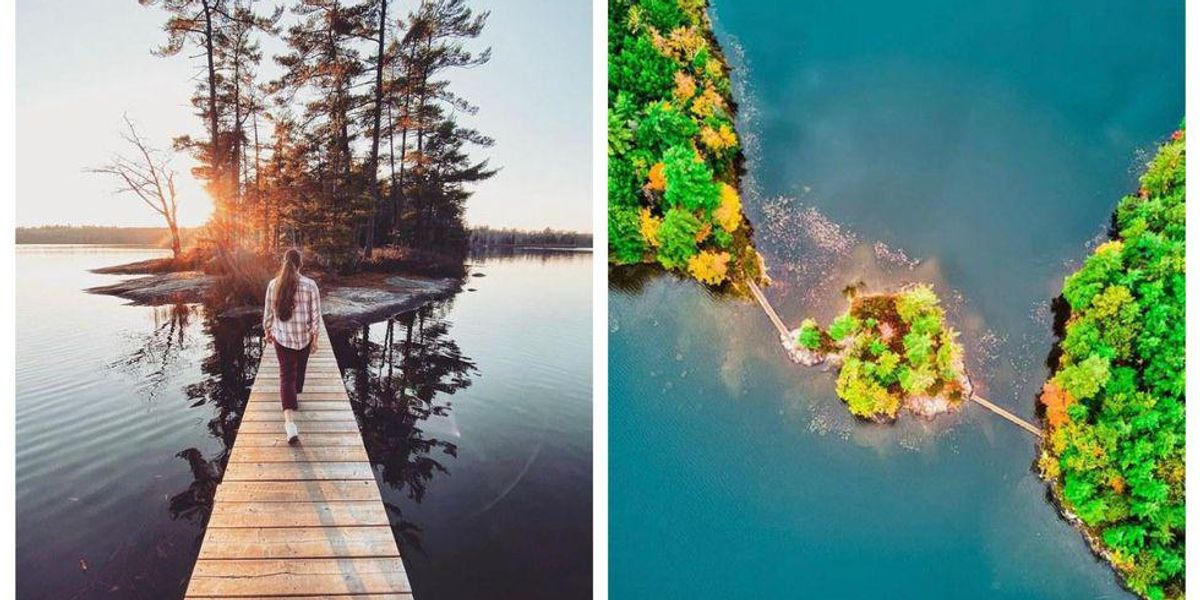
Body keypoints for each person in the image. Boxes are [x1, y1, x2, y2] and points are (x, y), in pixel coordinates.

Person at [262, 248, 321, 444]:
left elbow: (268, 312)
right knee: (298, 373)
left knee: (286, 377)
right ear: (300, 264)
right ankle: (292, 401)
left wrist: (267, 330)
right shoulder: (311, 285)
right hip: (302, 339)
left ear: (284, 262)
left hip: (283, 339)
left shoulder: (273, 284)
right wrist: (315, 338)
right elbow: (315, 315)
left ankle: (290, 425)